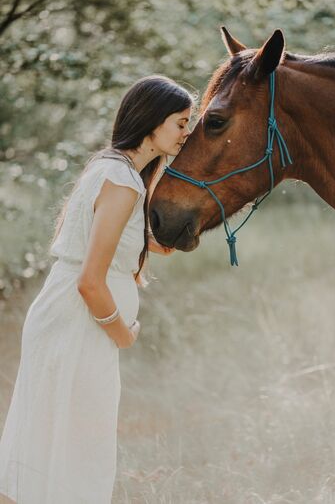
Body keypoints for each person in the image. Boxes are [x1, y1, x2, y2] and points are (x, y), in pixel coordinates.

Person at [0, 75, 193, 504]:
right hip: (78, 324)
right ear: (153, 121)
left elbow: (142, 244)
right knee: (77, 447)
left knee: (54, 443)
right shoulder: (122, 181)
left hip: (67, 320)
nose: (187, 132)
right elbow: (91, 281)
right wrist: (123, 333)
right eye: (181, 122)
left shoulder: (118, 172)